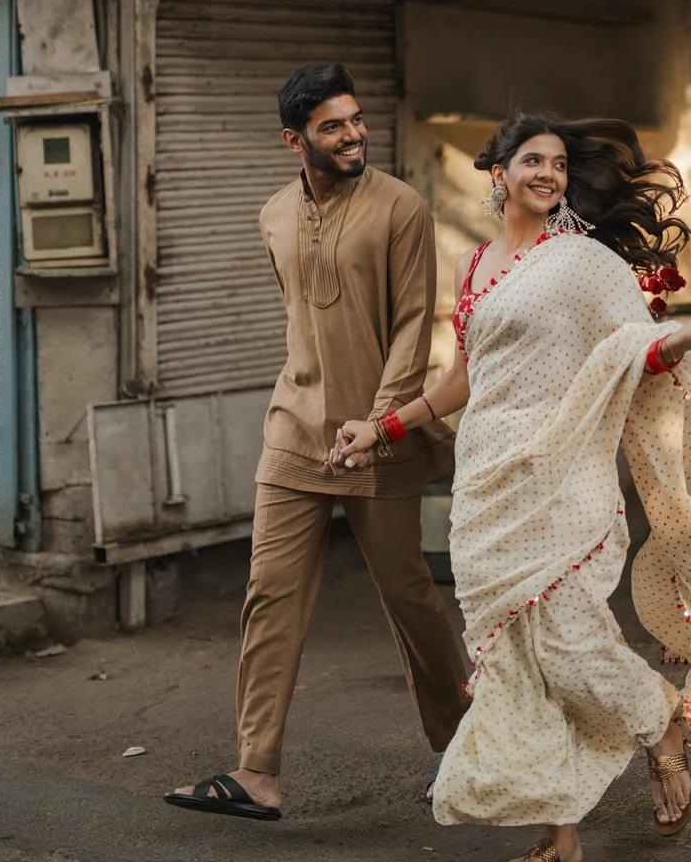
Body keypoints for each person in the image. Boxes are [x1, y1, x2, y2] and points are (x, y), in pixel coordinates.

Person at [331, 112, 691, 862]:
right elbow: (461, 380)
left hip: (565, 472)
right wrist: (383, 428)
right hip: (488, 485)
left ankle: (658, 721)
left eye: (558, 164)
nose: (547, 174)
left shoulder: (583, 262)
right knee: (512, 661)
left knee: (568, 644)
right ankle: (559, 829)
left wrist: (681, 338)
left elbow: (631, 342)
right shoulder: (476, 267)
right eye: (531, 159)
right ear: (497, 174)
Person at [165, 62, 468, 822]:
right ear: (294, 139)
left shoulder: (401, 207)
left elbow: (409, 326)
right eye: (333, 125)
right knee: (269, 594)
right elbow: (302, 321)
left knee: (408, 595)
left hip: (380, 434)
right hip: (294, 430)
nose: (353, 134)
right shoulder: (272, 214)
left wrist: (381, 419)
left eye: (356, 120)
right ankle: (256, 770)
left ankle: (471, 744)